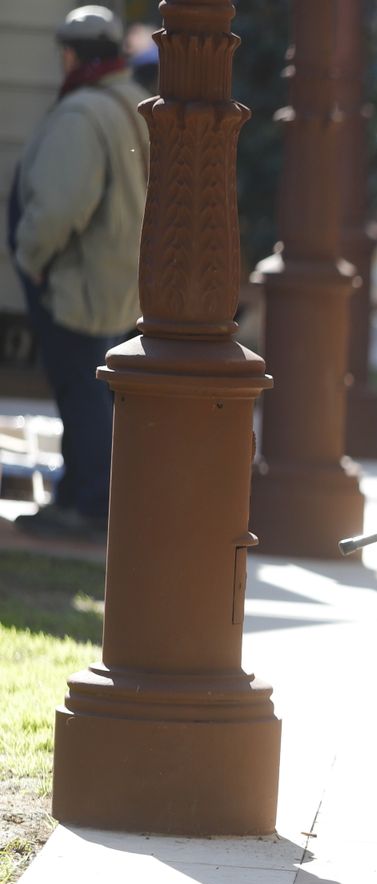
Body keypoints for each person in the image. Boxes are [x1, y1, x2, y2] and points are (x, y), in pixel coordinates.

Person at [8, 6, 148, 540]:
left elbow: (59, 207)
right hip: (118, 283)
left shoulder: (82, 113)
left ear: (71, 55)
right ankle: (85, 498)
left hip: (79, 285)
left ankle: (86, 506)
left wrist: (31, 260)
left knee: (82, 396)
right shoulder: (134, 101)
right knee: (98, 396)